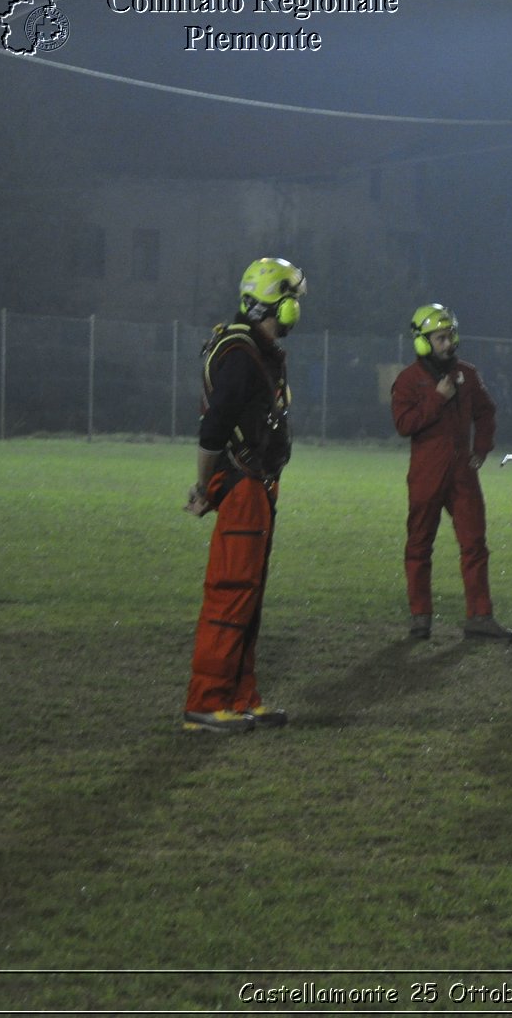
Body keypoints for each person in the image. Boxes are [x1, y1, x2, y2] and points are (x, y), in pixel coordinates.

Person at [181, 257, 305, 734]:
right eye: (293, 300)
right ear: (280, 303)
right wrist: (203, 485)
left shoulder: (253, 349)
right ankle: (205, 703)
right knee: (231, 595)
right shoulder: (242, 354)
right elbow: (212, 429)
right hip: (242, 487)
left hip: (255, 485)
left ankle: (240, 696)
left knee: (248, 598)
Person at [391, 303, 512, 641]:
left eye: (450, 336)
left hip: (462, 473)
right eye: (441, 338)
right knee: (419, 545)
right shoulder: (407, 381)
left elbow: (487, 412)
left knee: (475, 545)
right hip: (427, 473)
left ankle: (479, 617)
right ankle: (420, 618)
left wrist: (481, 449)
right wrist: (436, 398)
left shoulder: (468, 374)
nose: (449, 344)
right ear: (422, 341)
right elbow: (404, 425)